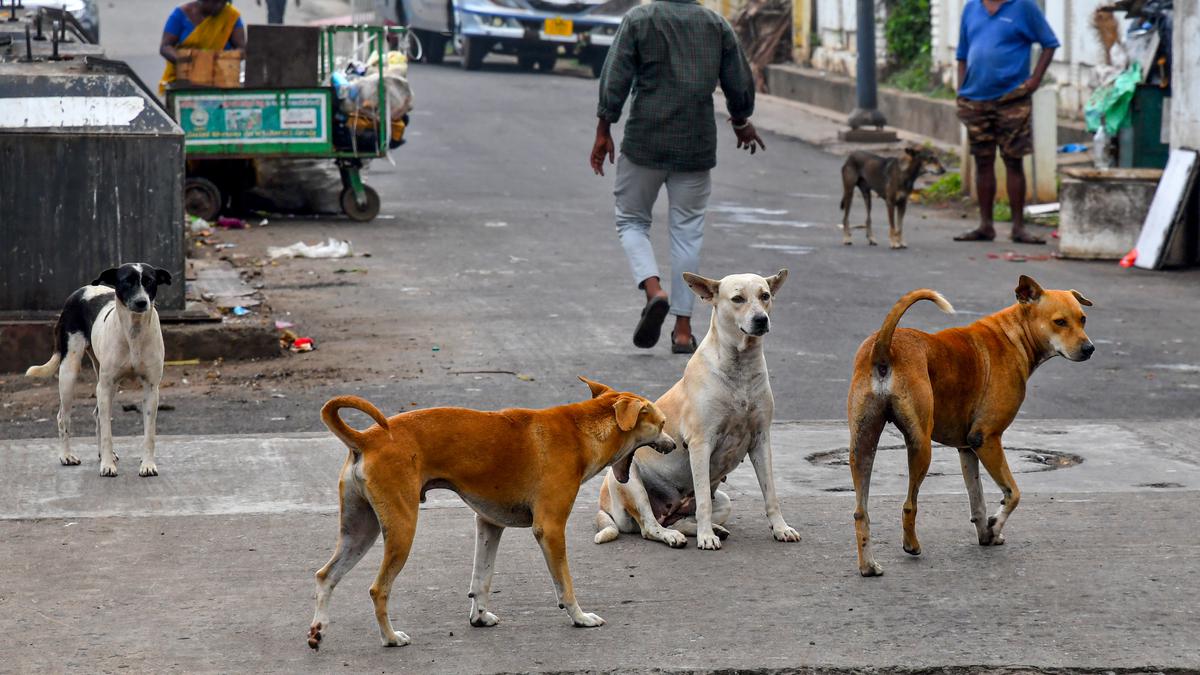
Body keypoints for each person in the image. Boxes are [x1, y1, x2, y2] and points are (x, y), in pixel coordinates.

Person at [590, 0, 763, 354]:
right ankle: (683, 332)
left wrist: (604, 126)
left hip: (644, 142)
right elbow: (738, 83)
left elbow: (616, 75)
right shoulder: (716, 26)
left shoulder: (640, 18)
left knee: (632, 221)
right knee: (687, 232)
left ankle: (655, 292)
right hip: (695, 145)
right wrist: (742, 120)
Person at [953, 0, 1059, 245]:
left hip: (1012, 98)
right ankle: (985, 225)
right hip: (975, 98)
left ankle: (1018, 227)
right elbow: (962, 54)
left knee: (1013, 160)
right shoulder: (971, 8)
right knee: (983, 160)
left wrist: (1034, 81)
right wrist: (961, 91)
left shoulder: (1024, 7)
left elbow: (1049, 44)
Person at [159, 0, 246, 95]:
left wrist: (225, 58)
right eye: (214, 2)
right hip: (185, 80)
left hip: (222, 79)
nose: (219, 7)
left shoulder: (231, 15)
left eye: (223, 3)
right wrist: (182, 60)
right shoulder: (181, 14)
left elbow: (242, 48)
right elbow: (165, 46)